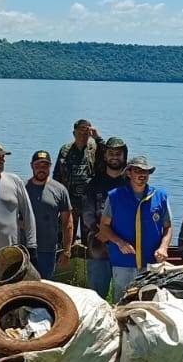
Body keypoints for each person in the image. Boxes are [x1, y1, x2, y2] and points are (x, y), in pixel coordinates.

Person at [99, 155, 171, 296]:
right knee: (122, 301)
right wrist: (120, 242)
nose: (142, 175)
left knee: (150, 302)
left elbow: (168, 227)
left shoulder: (160, 196)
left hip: (151, 261)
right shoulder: (115, 196)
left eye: (145, 171)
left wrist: (164, 247)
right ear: (129, 173)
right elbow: (104, 227)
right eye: (137, 170)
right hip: (123, 262)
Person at [82, 137, 129, 299]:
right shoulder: (94, 183)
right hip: (98, 246)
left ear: (125, 156)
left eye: (118, 154)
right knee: (95, 297)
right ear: (105, 156)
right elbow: (87, 213)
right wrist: (100, 232)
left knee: (125, 297)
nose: (114, 157)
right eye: (111, 153)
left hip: (125, 248)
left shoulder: (130, 183)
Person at [53, 119, 104, 243]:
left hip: (89, 203)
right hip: (70, 202)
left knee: (91, 239)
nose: (83, 136)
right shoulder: (65, 149)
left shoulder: (95, 147)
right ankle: (62, 258)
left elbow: (109, 156)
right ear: (74, 133)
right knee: (64, 236)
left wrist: (98, 138)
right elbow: (57, 174)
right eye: (80, 133)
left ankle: (87, 260)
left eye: (86, 133)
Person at [26, 150, 73, 279]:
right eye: (38, 166)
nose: (41, 169)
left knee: (44, 288)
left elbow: (67, 223)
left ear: (50, 166)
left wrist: (67, 251)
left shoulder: (60, 190)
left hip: (48, 250)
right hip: (24, 249)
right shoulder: (23, 188)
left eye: (45, 166)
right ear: (31, 166)